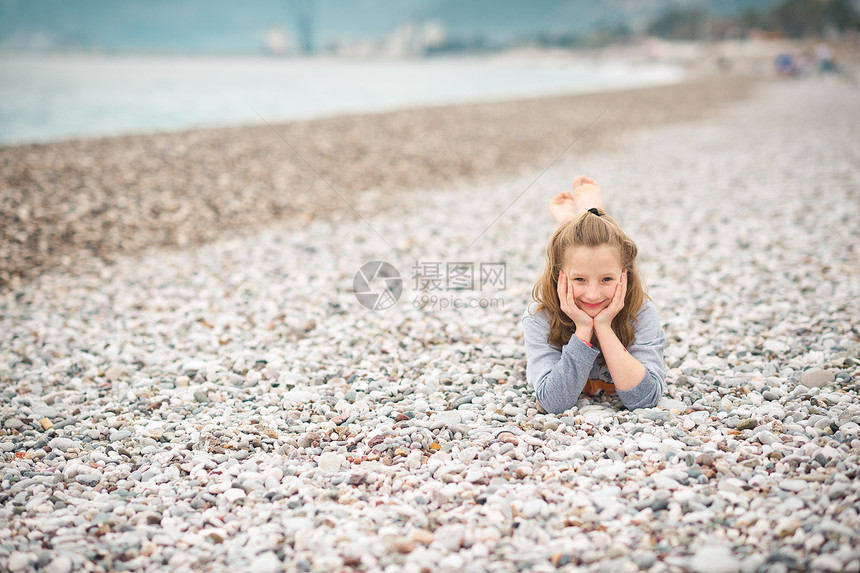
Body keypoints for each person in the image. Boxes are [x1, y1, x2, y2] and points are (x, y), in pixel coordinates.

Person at [522, 176, 666, 413]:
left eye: (607, 279)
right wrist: (582, 330)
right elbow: (552, 403)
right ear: (560, 276)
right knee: (580, 251)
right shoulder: (539, 317)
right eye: (579, 279)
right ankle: (579, 218)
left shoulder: (641, 312)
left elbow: (645, 399)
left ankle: (579, 218)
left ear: (624, 275)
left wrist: (605, 327)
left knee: (589, 251)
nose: (592, 295)